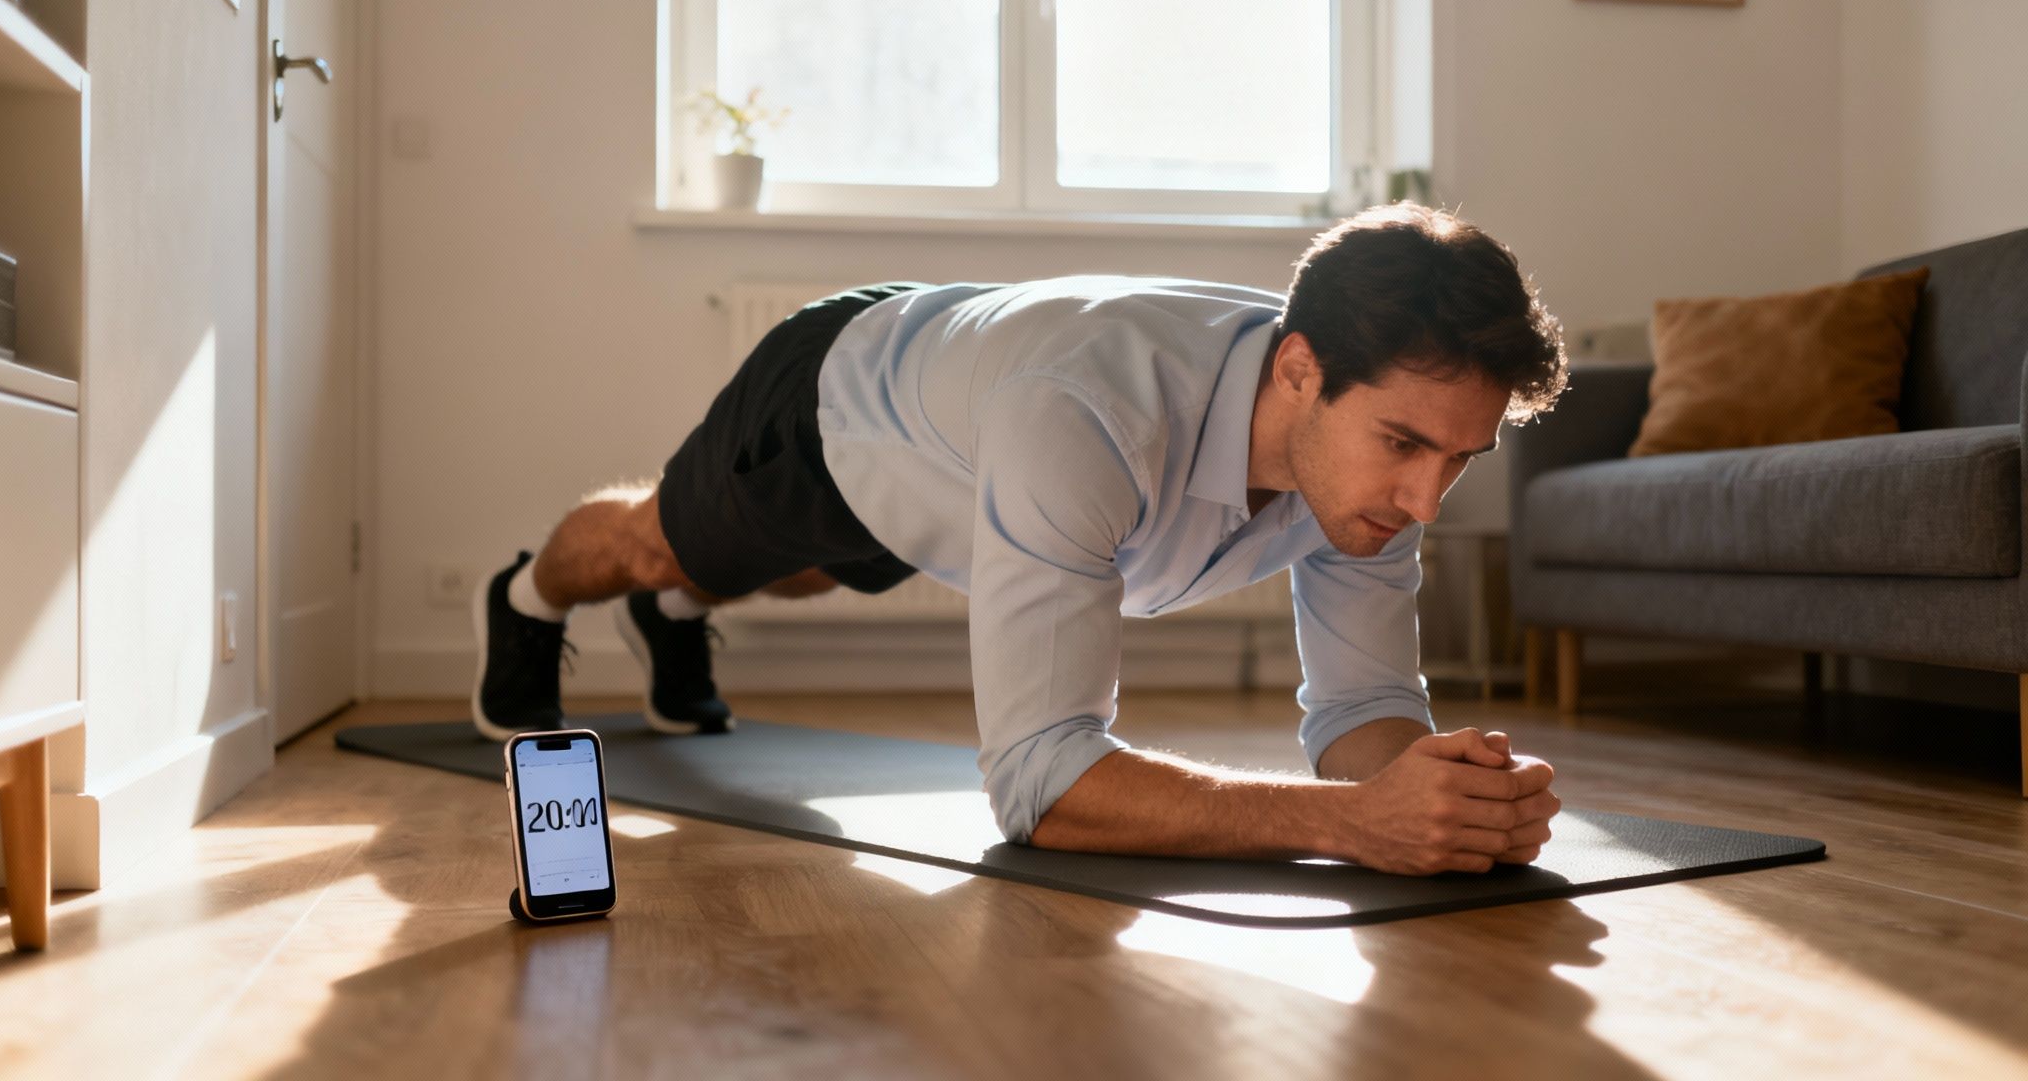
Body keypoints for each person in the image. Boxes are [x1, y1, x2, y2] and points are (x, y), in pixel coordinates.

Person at [472, 202, 1569, 876]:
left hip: (963, 445)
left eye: (1458, 461)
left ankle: (676, 619)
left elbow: (1358, 711)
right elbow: (1040, 789)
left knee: (806, 579)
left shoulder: (1371, 451)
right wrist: (1350, 826)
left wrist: (1440, 796)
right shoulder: (1085, 414)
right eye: (1404, 447)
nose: (1425, 503)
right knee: (659, 548)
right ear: (1298, 373)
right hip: (831, 402)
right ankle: (527, 600)